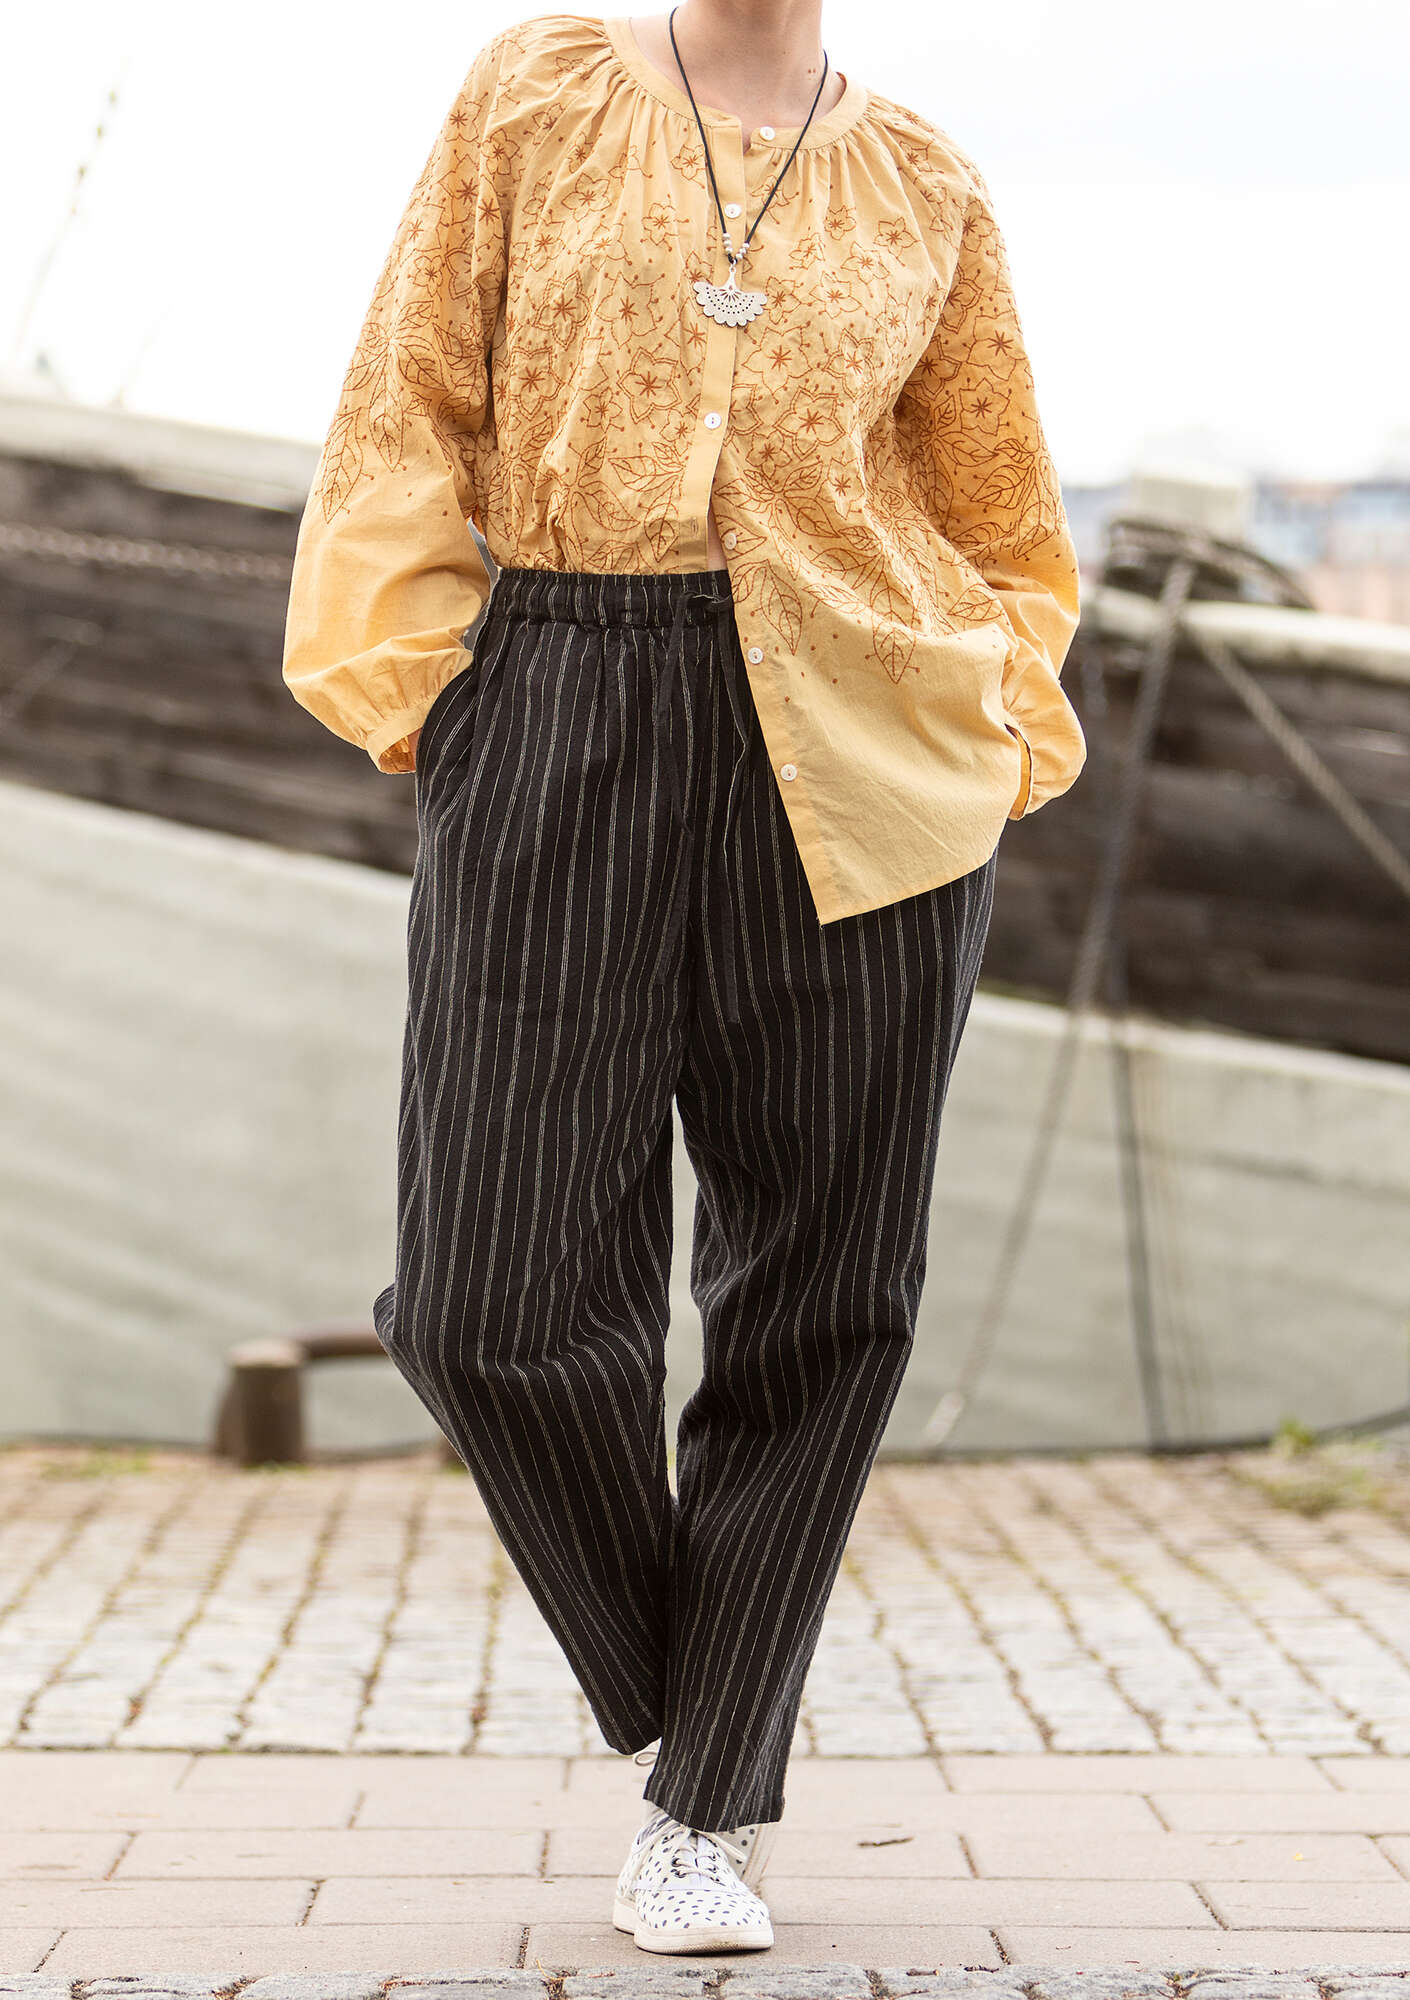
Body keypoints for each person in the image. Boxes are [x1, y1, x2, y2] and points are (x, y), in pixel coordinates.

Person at [282, 0, 1085, 1957]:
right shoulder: (535, 91)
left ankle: (705, 1802)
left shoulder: (926, 182)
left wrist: (993, 713)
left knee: (823, 1295)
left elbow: (997, 509)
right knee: (482, 1303)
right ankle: (697, 1680)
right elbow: (410, 393)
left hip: (867, 746)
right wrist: (431, 697)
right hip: (562, 699)